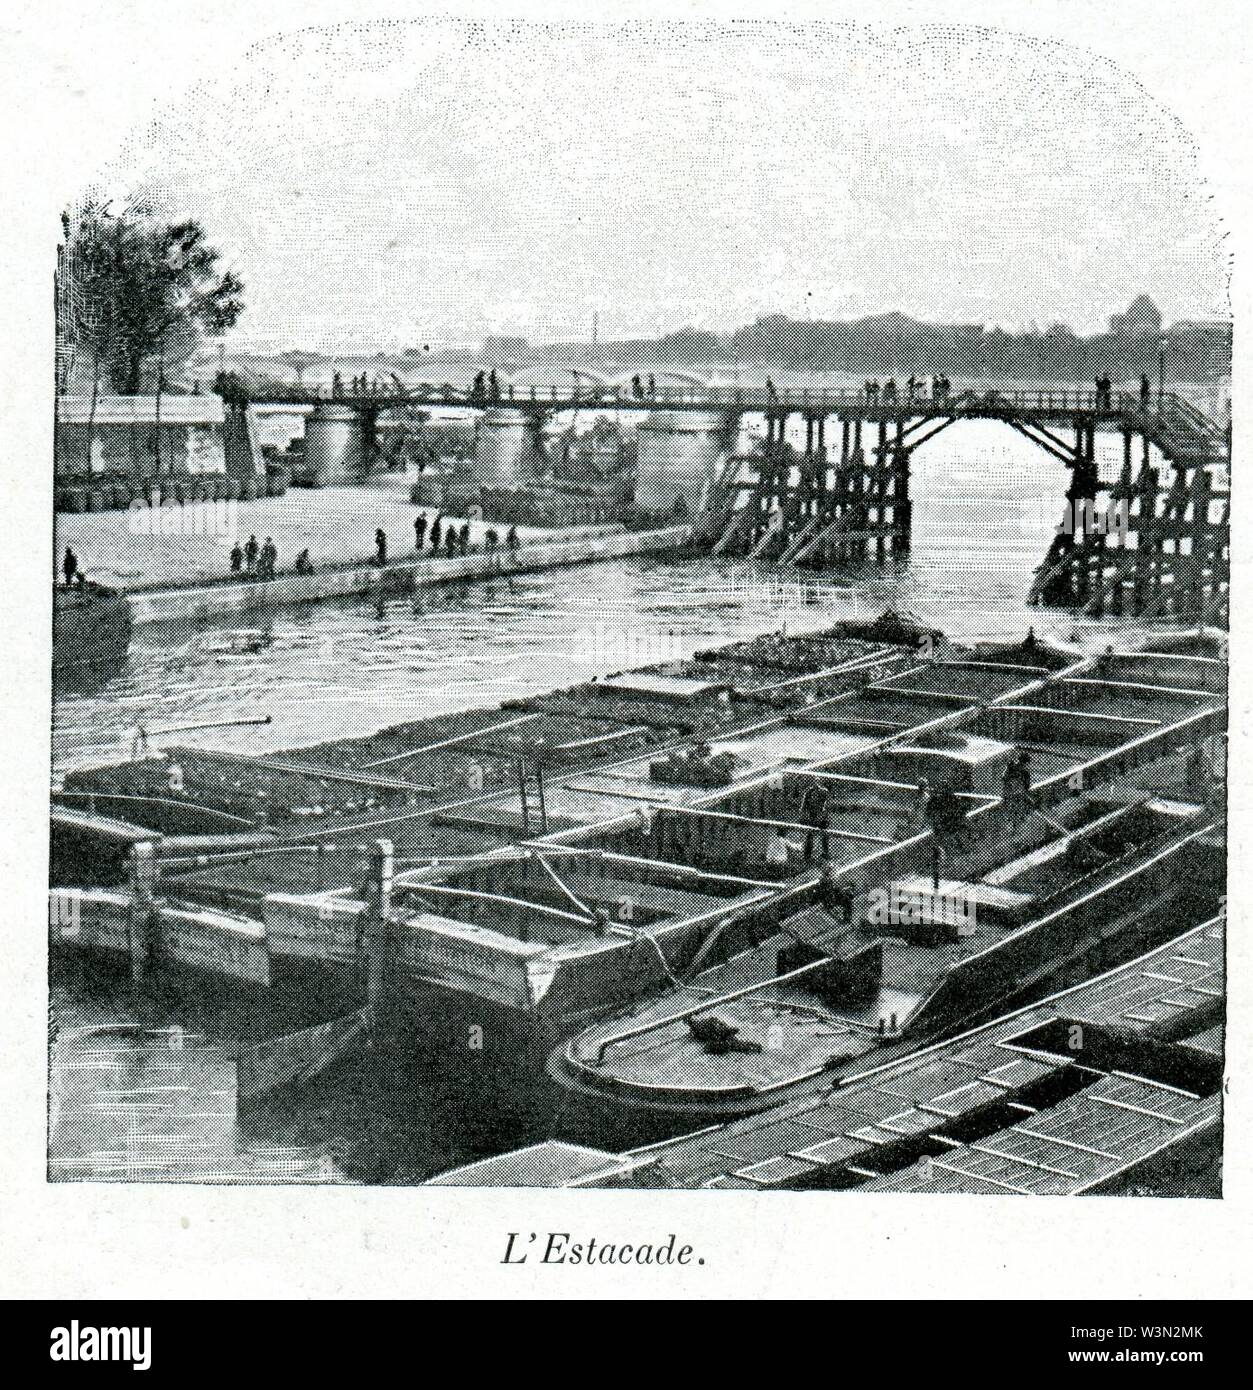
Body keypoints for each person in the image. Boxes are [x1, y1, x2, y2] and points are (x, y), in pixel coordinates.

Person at [799, 778, 831, 861]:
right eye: (814, 782)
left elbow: (826, 805)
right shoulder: (808, 792)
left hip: (822, 816)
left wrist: (822, 816)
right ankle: (807, 855)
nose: (816, 783)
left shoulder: (824, 791)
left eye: (818, 781)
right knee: (810, 835)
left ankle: (825, 853)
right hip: (812, 816)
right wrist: (804, 816)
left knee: (824, 835)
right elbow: (803, 806)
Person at [1001, 749, 1033, 828]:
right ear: (1026, 763)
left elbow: (1004, 778)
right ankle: (1015, 824)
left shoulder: (1011, 767)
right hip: (1015, 795)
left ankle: (1013, 823)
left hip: (1010, 795)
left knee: (1011, 810)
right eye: (1026, 763)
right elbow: (1026, 787)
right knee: (1016, 810)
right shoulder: (1024, 773)